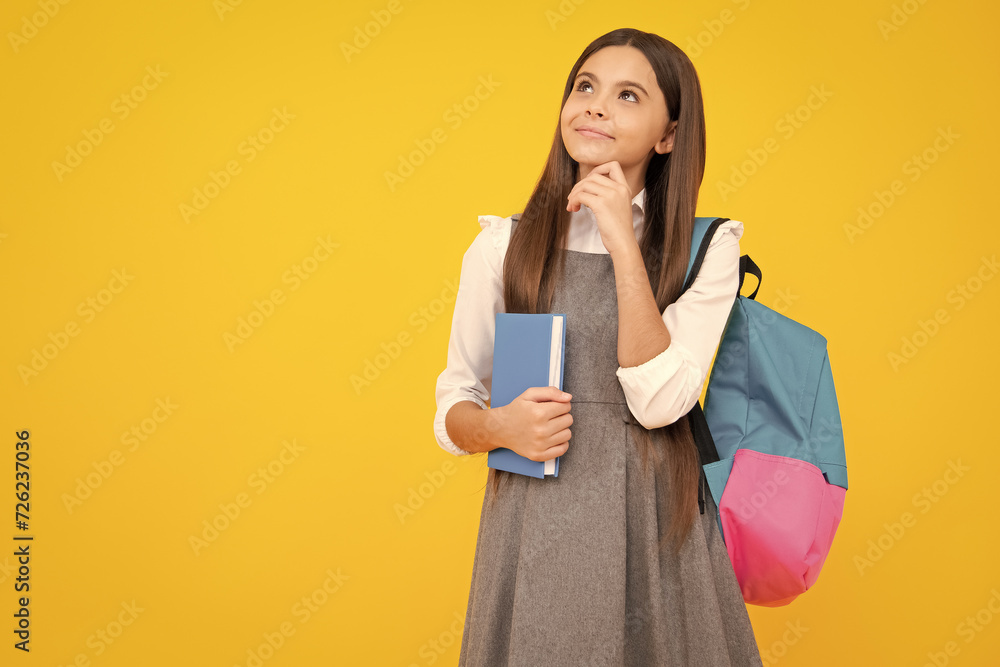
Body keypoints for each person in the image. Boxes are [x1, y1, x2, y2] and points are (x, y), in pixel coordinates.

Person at [433, 27, 763, 666]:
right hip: (534, 527)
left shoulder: (708, 247)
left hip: (656, 530)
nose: (595, 105)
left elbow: (661, 403)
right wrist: (500, 426)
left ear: (669, 135)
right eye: (585, 87)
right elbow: (454, 408)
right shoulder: (502, 247)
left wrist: (620, 240)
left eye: (628, 95)